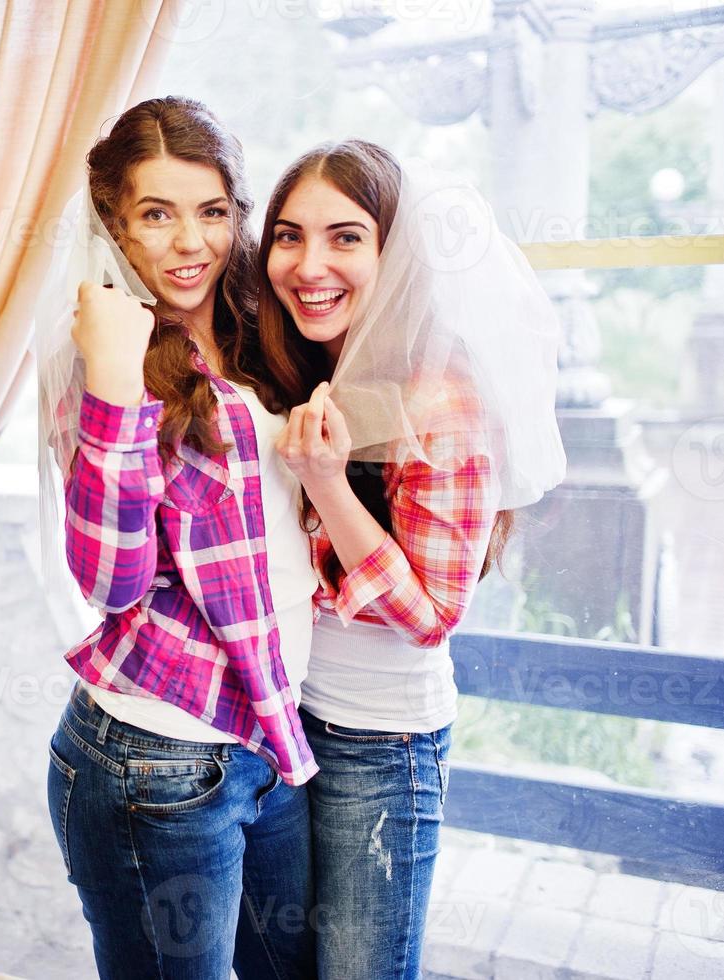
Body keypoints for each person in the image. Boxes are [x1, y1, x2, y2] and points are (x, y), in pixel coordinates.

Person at [254, 140, 565, 978]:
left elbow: (430, 616)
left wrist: (324, 482)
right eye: (288, 235)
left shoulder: (441, 395)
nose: (308, 264)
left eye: (345, 237)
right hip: (277, 726)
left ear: (396, 253)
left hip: (379, 743)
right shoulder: (297, 365)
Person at [36, 96, 319, 980]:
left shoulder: (256, 333)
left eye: (211, 212)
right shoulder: (102, 356)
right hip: (152, 759)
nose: (189, 243)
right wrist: (117, 379)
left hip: (263, 735)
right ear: (112, 222)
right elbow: (110, 580)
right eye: (156, 215)